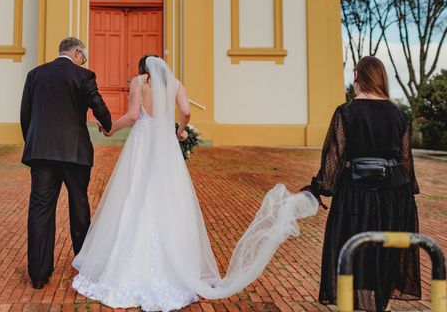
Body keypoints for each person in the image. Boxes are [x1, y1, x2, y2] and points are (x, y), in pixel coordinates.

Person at [71, 54, 318, 311]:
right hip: (165, 144)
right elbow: (186, 111)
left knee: (135, 194)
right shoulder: (175, 84)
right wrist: (179, 130)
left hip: (142, 144)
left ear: (142, 69)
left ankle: (125, 262)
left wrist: (110, 129)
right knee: (168, 198)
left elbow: (133, 115)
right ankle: (174, 264)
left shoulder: (138, 82)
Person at [302, 56, 421, 312]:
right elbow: (406, 162)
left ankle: (356, 305)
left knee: (352, 251)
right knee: (385, 251)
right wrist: (405, 196)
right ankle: (380, 306)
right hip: (395, 196)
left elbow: (334, 158)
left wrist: (318, 187)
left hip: (356, 194)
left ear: (357, 76)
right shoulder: (398, 114)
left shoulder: (346, 112)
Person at [20, 37, 112, 289]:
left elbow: (25, 115)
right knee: (79, 206)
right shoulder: (83, 76)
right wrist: (107, 123)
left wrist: (34, 143)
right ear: (77, 52)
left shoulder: (35, 74)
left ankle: (38, 275)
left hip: (42, 153)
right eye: (84, 56)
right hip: (75, 153)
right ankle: (83, 266)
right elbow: (99, 107)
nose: (84, 60)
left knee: (40, 210)